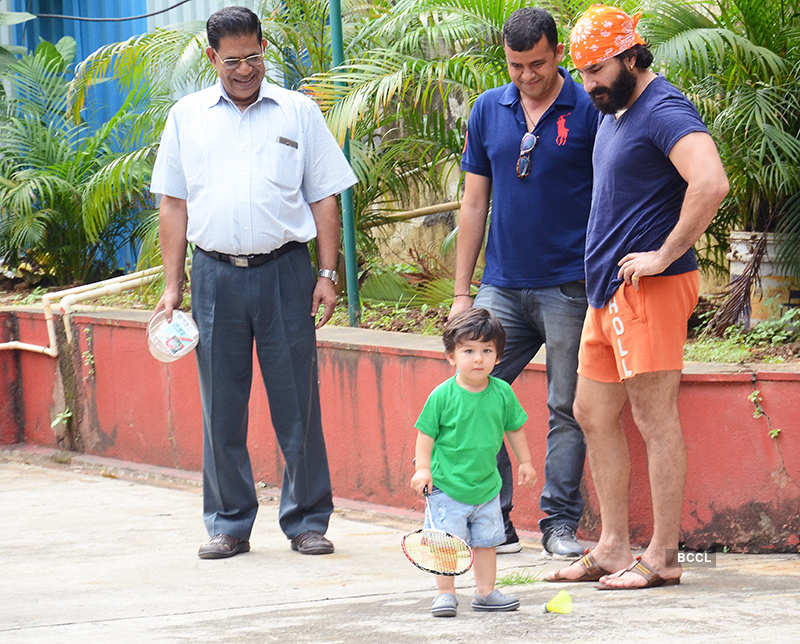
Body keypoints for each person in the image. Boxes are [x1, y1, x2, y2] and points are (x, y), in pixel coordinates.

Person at [150, 6, 357, 559]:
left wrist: (328, 273)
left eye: (255, 57)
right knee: (222, 406)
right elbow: (173, 203)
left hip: (286, 273)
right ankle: (228, 523)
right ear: (213, 57)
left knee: (298, 405)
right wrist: (174, 286)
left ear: (265, 49)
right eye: (234, 60)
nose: (246, 69)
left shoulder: (299, 112)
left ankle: (308, 520)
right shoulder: (187, 117)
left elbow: (325, 196)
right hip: (214, 276)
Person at [547, 5, 729, 588]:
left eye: (596, 69)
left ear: (631, 55)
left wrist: (665, 254)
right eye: (581, 72)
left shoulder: (663, 108)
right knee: (590, 412)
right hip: (608, 291)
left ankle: (665, 557)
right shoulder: (615, 110)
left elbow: (711, 182)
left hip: (649, 289)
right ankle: (611, 547)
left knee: (654, 418)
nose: (587, 83)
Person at [450, 6, 598, 557]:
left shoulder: (587, 109)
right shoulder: (489, 108)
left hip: (569, 286)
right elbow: (473, 201)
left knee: (567, 406)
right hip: (501, 286)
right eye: (516, 65)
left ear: (558, 54)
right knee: (473, 392)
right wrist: (463, 292)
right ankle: (494, 520)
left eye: (537, 63)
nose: (527, 76)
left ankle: (559, 524)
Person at [411, 308, 536, 617]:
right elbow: (425, 434)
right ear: (451, 356)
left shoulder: (502, 393)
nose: (478, 358)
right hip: (447, 487)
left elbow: (514, 429)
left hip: (486, 487)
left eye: (486, 350)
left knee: (487, 542)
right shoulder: (442, 396)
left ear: (497, 356)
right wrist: (422, 469)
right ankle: (445, 593)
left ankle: (485, 592)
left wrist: (526, 462)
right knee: (446, 545)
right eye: (468, 350)